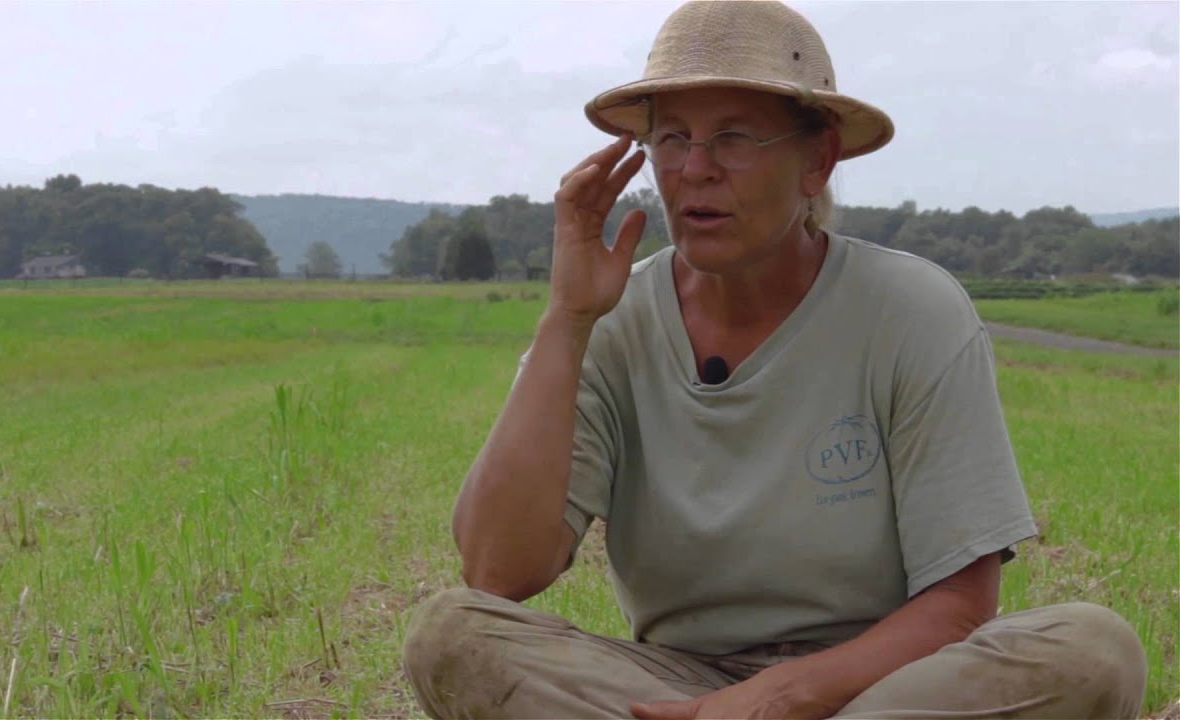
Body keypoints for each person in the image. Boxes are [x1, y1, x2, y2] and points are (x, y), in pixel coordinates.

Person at [402, 2, 1147, 718]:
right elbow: (497, 573)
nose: (695, 169)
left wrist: (784, 698)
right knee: (453, 635)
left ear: (817, 160)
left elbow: (960, 603)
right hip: (679, 684)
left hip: (878, 687)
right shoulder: (613, 320)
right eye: (672, 139)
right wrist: (567, 321)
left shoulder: (911, 309)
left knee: (1092, 650)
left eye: (733, 138)